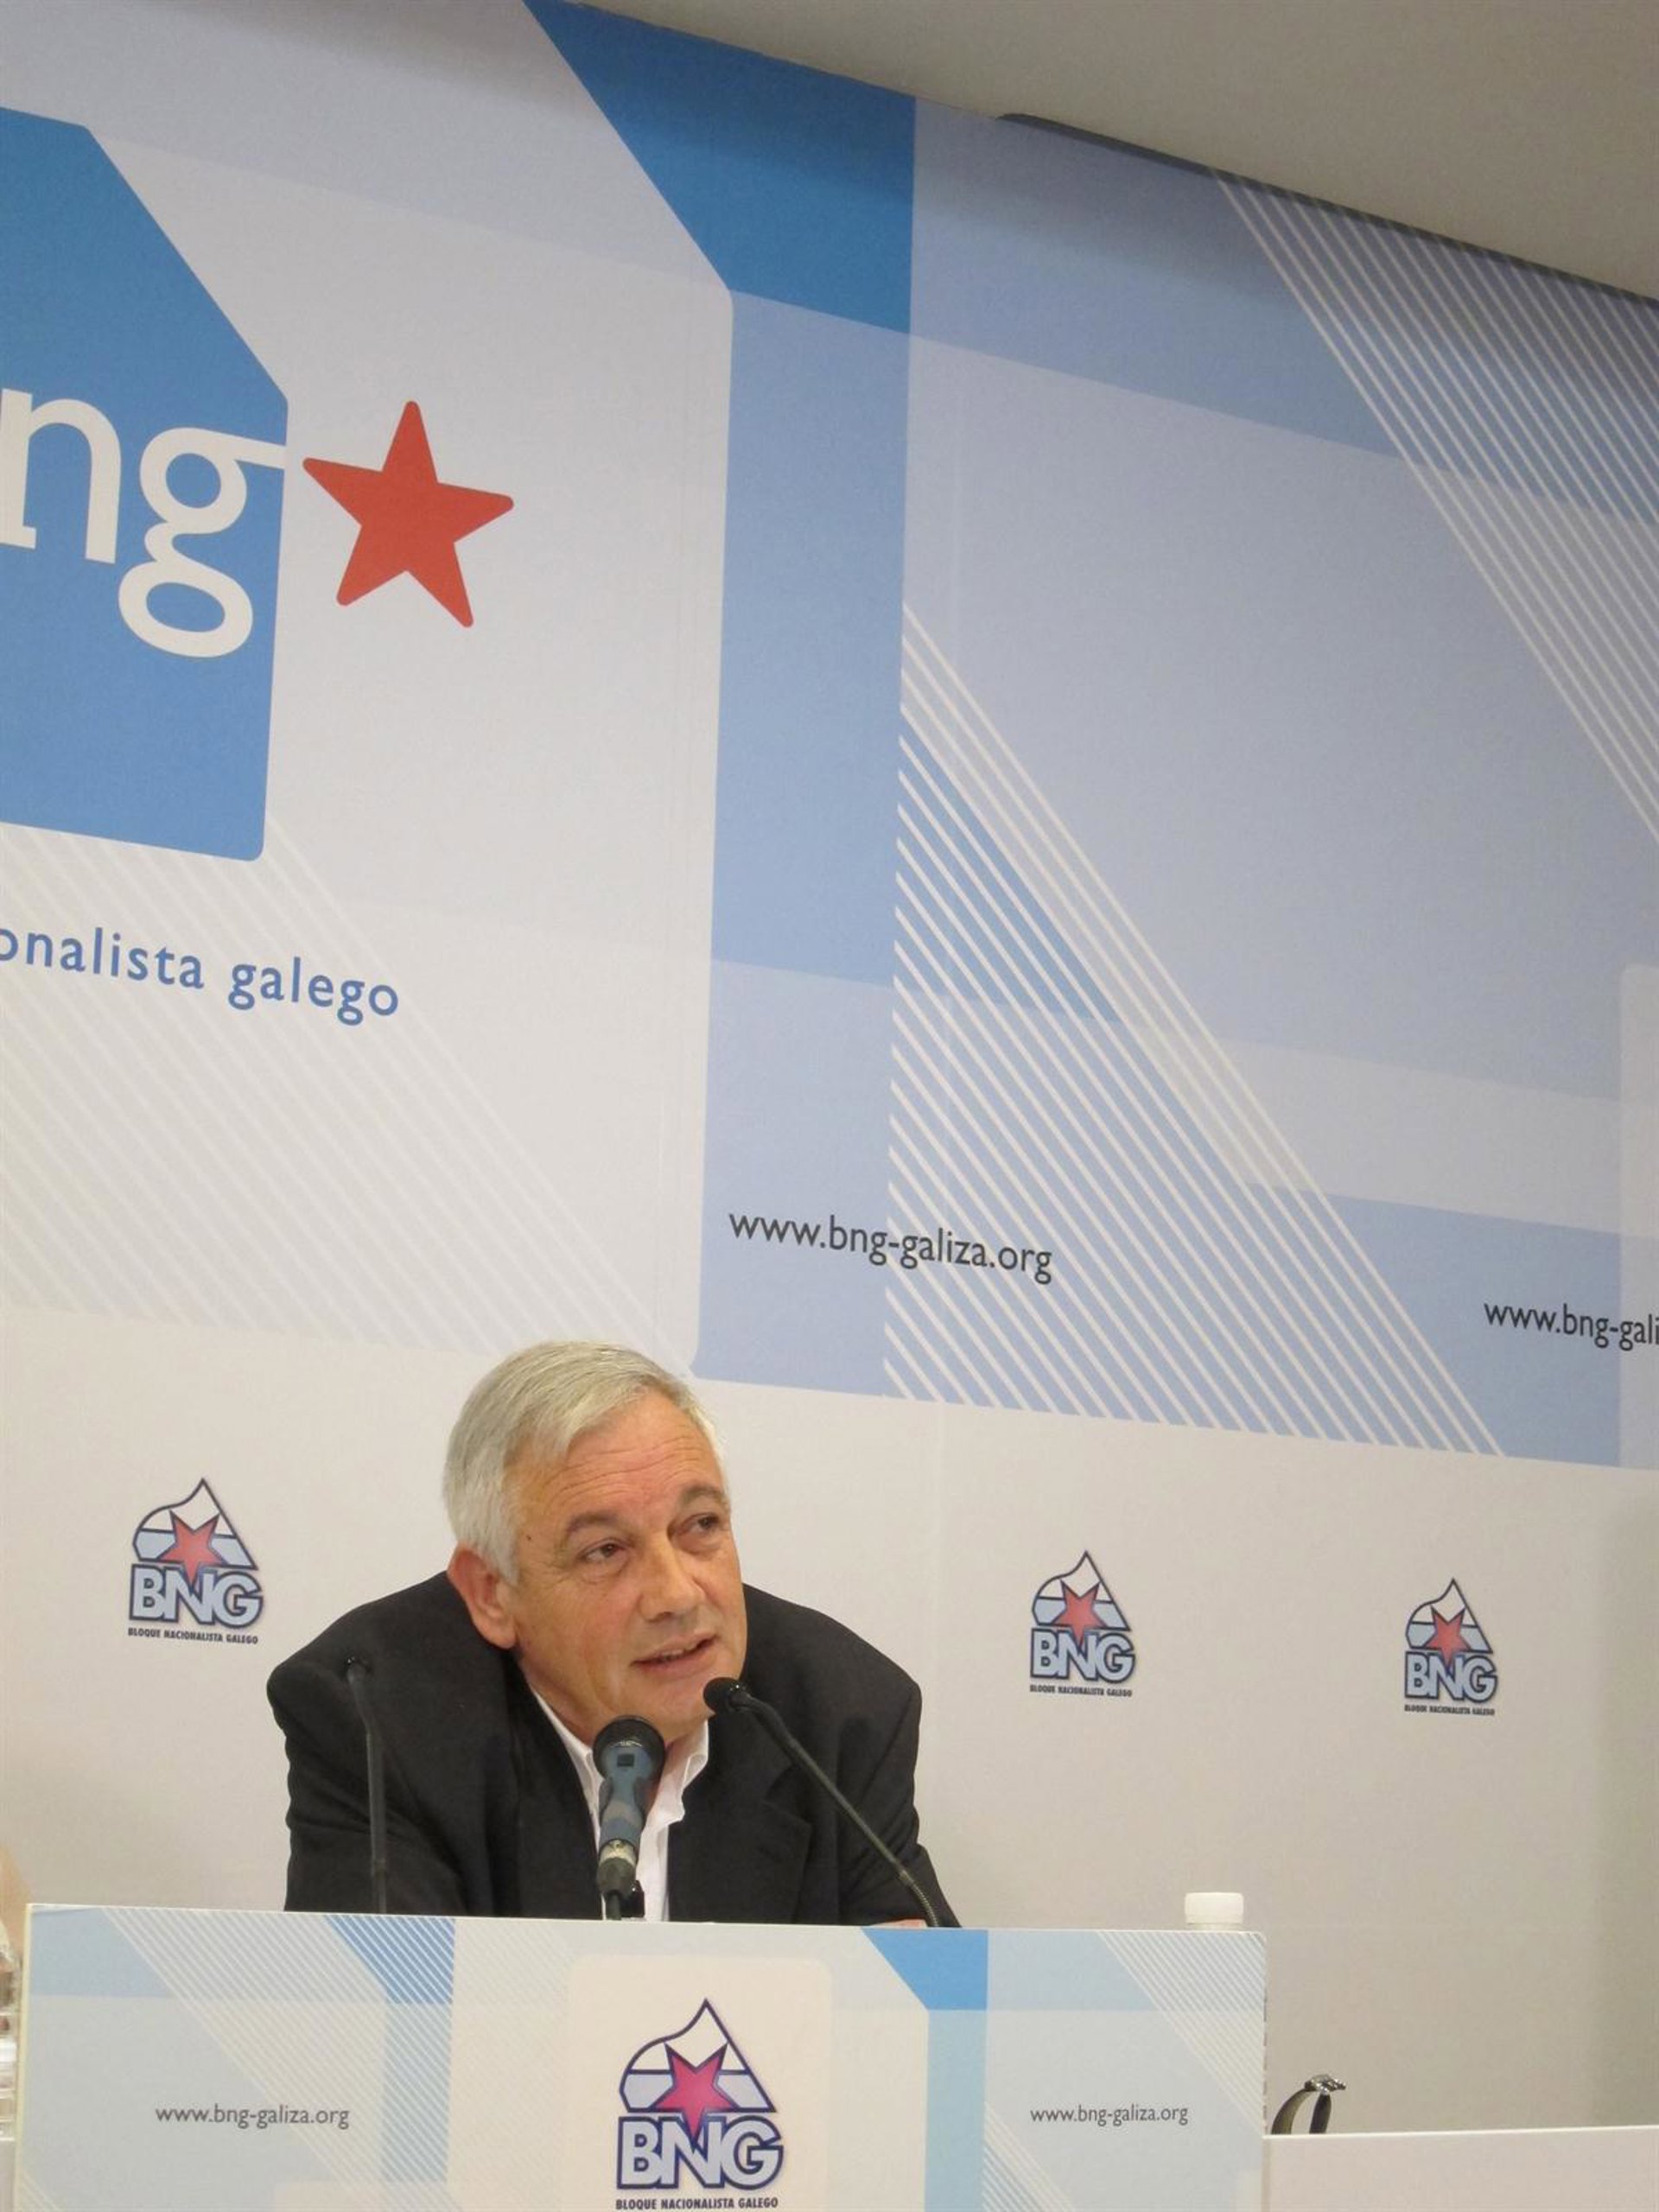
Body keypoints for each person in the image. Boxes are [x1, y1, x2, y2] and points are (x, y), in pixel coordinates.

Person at [268, 1342, 954, 1924]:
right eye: (605, 1551)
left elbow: (922, 2014)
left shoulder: (839, 1714)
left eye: (701, 1526)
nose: (677, 1594)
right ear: (492, 1594)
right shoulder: (376, 1718)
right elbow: (386, 2018)